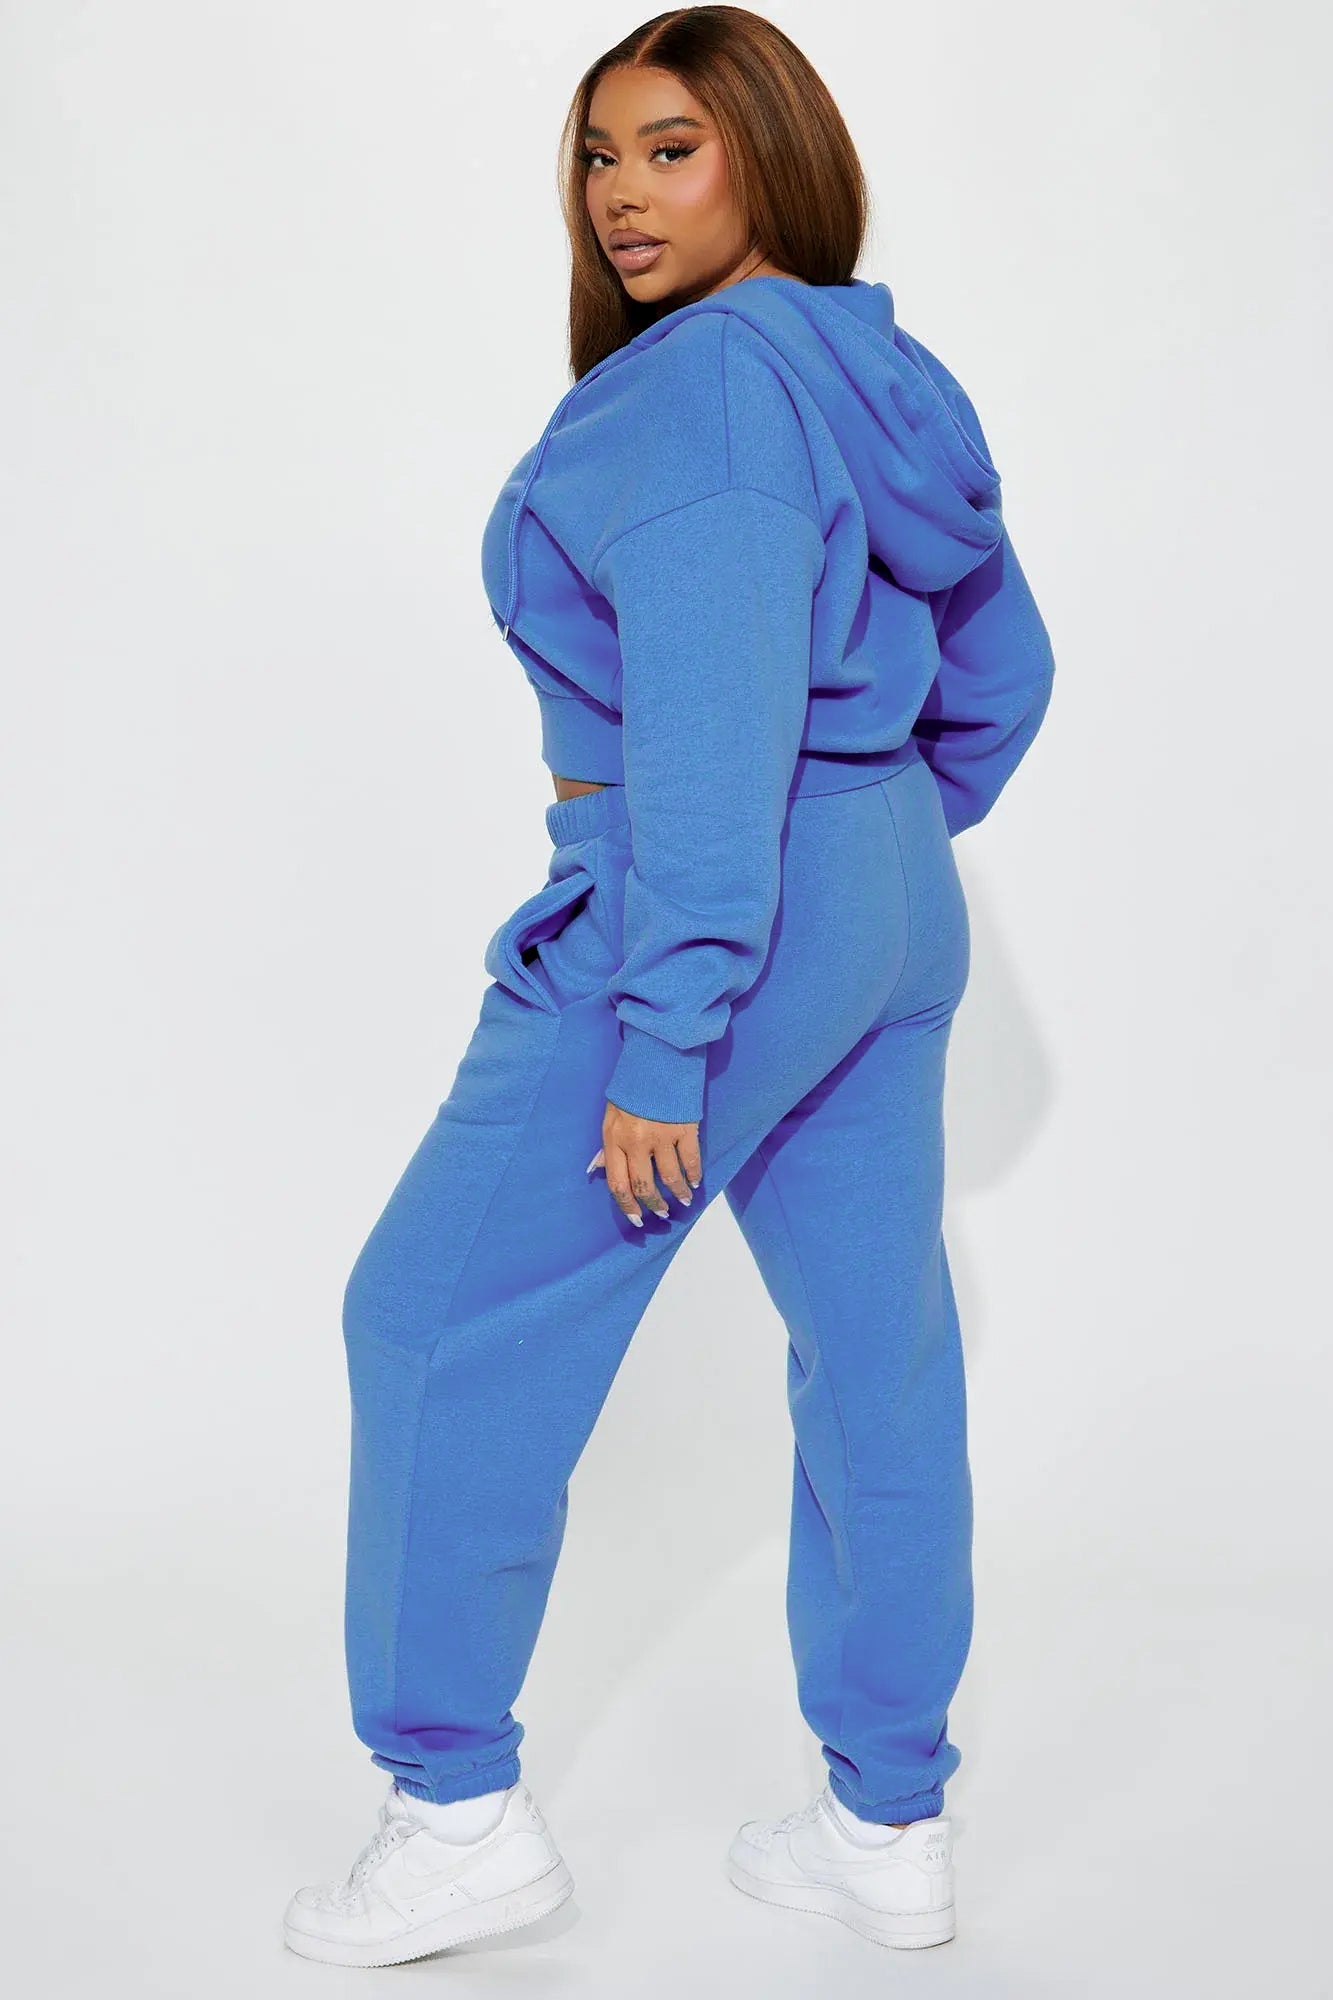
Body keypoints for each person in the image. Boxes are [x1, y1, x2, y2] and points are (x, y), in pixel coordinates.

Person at [282, 4, 1054, 1969]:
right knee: (874, 1354)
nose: (620, 194)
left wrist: (674, 1018)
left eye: (671, 148)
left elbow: (708, 738)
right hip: (883, 893)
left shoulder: (702, 393)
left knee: (434, 1322)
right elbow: (1004, 665)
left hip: (713, 904)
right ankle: (887, 1821)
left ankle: (451, 1812)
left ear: (771, 155)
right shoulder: (875, 369)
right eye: (597, 153)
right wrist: (872, 824)